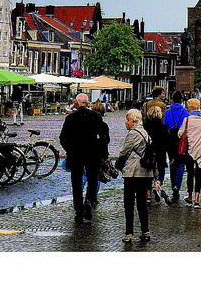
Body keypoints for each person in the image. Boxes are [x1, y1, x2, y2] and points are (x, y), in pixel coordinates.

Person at [59, 92, 110, 226]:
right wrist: (103, 154)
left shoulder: (71, 118)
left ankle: (78, 211)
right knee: (92, 180)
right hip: (92, 154)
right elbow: (103, 138)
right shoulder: (96, 117)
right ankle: (88, 201)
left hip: (76, 155)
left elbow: (63, 138)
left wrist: (70, 150)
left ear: (77, 103)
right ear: (87, 103)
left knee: (76, 183)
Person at [115, 108, 153, 244]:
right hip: (145, 173)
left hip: (133, 172)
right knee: (142, 203)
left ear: (135, 121)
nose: (126, 122)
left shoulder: (133, 134)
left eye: (128, 120)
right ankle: (145, 231)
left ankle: (129, 233)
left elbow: (124, 152)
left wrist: (117, 165)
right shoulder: (145, 133)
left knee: (129, 203)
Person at [180, 98, 201, 208]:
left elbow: (180, 133)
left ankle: (189, 197)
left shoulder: (187, 120)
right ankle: (197, 199)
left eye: (188, 107)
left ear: (192, 108)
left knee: (189, 174)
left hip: (190, 150)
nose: (187, 109)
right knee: (199, 175)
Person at [141, 103, 172, 204]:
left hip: (148, 153)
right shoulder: (163, 128)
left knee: (148, 173)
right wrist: (171, 156)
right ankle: (158, 184)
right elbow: (168, 143)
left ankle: (148, 194)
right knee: (161, 172)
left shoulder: (145, 126)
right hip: (160, 153)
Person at [163, 92, 188, 203]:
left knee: (172, 162)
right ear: (182, 100)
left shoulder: (168, 111)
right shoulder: (185, 111)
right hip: (181, 140)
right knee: (181, 163)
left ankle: (173, 184)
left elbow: (165, 125)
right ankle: (177, 185)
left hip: (169, 140)